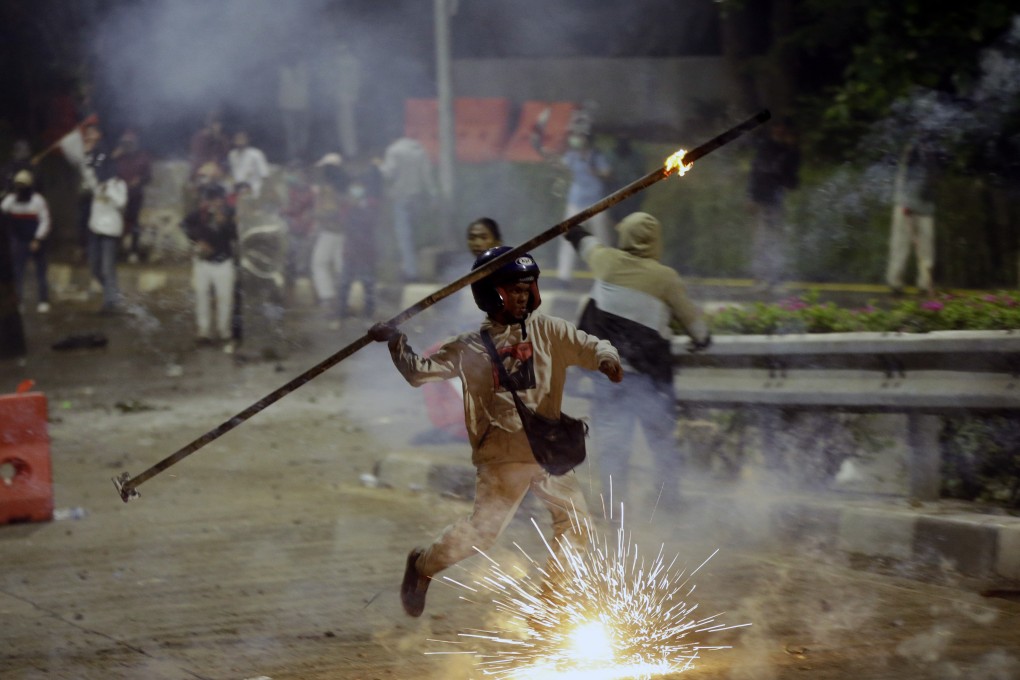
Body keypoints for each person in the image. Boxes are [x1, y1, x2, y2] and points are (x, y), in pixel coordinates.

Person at [368, 246, 623, 618]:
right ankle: (422, 566)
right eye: (512, 290)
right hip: (502, 457)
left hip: (548, 451)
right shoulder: (469, 347)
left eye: (526, 288)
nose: (522, 297)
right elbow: (419, 372)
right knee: (482, 535)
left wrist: (607, 359)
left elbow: (592, 345)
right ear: (490, 295)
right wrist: (395, 341)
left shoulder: (550, 331)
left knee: (578, 525)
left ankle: (551, 604)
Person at [565, 212, 710, 512]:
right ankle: (669, 503)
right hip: (647, 380)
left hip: (607, 378)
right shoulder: (665, 278)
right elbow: (697, 327)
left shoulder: (604, 260)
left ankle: (614, 510)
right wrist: (701, 338)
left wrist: (572, 227)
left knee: (613, 448)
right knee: (661, 444)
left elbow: (580, 238)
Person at [747, 118, 800, 293]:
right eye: (777, 128)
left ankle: (771, 278)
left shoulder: (787, 150)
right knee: (764, 240)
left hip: (776, 199)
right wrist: (752, 197)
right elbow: (757, 172)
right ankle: (762, 278)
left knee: (773, 240)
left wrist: (792, 149)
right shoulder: (767, 148)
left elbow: (791, 177)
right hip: (766, 198)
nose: (780, 131)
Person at [182, 184, 238, 349]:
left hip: (224, 261)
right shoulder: (199, 213)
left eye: (218, 200)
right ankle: (203, 332)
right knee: (201, 296)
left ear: (223, 200)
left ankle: (224, 332)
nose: (214, 203)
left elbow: (235, 235)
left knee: (225, 298)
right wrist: (197, 240)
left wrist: (226, 223)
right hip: (202, 261)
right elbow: (184, 224)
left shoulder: (230, 213)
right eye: (211, 200)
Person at [553, 131, 612, 285]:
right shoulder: (572, 155)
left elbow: (607, 173)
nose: (576, 139)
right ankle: (564, 277)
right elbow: (561, 165)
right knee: (568, 238)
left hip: (596, 202)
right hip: (576, 202)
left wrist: (596, 170)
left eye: (579, 136)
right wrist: (554, 154)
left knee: (602, 240)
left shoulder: (596, 155)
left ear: (587, 139)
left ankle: (605, 276)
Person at [377, 136, 436, 282]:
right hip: (417, 197)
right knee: (414, 236)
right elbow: (427, 175)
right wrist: (433, 195)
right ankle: (412, 267)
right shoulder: (420, 151)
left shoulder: (394, 151)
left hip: (400, 197)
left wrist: (378, 166)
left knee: (404, 236)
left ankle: (410, 272)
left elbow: (388, 173)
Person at [886, 139, 938, 296]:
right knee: (900, 245)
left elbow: (932, 183)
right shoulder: (912, 150)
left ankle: (925, 284)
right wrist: (904, 203)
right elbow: (902, 178)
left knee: (926, 249)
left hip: (926, 209)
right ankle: (895, 283)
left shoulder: (934, 155)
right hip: (905, 207)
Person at [335, 166, 382, 322]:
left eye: (359, 185)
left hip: (365, 249)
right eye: (354, 186)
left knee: (367, 282)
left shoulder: (371, 203)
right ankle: (341, 312)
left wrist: (358, 210)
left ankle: (369, 312)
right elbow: (343, 222)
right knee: (344, 282)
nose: (356, 189)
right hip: (351, 248)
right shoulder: (347, 205)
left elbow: (371, 222)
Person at [1, 170, 51, 313]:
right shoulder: (11, 199)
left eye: (23, 185)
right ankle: (19, 301)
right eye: (18, 185)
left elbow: (45, 221)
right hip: (19, 241)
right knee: (18, 272)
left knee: (40, 272)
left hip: (36, 241)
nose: (20, 188)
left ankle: (43, 300)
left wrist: (37, 238)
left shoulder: (38, 200)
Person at [88, 162, 128, 314]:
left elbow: (122, 202)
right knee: (95, 268)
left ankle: (110, 303)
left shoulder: (118, 184)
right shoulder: (96, 184)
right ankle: (113, 295)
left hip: (110, 232)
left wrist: (109, 190)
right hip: (95, 230)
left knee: (107, 268)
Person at [310, 153, 347, 313]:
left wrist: (316, 215)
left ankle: (329, 298)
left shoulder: (328, 188)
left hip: (330, 231)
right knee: (339, 265)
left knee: (320, 262)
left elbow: (331, 211)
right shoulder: (344, 184)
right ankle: (340, 298)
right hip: (343, 231)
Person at [111, 129, 152, 263]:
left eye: (130, 142)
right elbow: (103, 167)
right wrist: (113, 157)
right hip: (117, 196)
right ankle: (115, 251)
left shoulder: (143, 156)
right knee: (116, 222)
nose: (128, 145)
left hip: (135, 195)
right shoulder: (117, 156)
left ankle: (133, 251)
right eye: (125, 143)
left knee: (133, 223)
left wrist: (139, 180)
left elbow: (149, 176)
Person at [280, 161, 316, 302]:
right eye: (294, 173)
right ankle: (290, 297)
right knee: (290, 264)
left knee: (308, 264)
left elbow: (308, 211)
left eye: (299, 173)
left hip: (306, 232)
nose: (296, 176)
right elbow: (288, 209)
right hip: (293, 231)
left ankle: (315, 297)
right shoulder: (291, 190)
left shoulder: (310, 192)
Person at [277, 54, 311, 162]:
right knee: (291, 133)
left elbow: (308, 86)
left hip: (302, 105)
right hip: (287, 106)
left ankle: (302, 154)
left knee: (301, 132)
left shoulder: (304, 68)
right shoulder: (282, 70)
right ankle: (293, 156)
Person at [228, 130, 271, 199]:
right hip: (237, 190)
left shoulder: (256, 154)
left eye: (242, 138)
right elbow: (233, 174)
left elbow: (265, 175)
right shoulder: (232, 154)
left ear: (247, 140)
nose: (239, 141)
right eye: (237, 139)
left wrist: (265, 193)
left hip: (254, 190)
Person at [189, 110, 230, 176]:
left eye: (218, 124)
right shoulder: (199, 138)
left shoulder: (223, 139)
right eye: (214, 123)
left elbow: (224, 158)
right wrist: (205, 167)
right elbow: (196, 156)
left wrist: (220, 167)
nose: (216, 126)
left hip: (218, 171)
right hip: (202, 170)